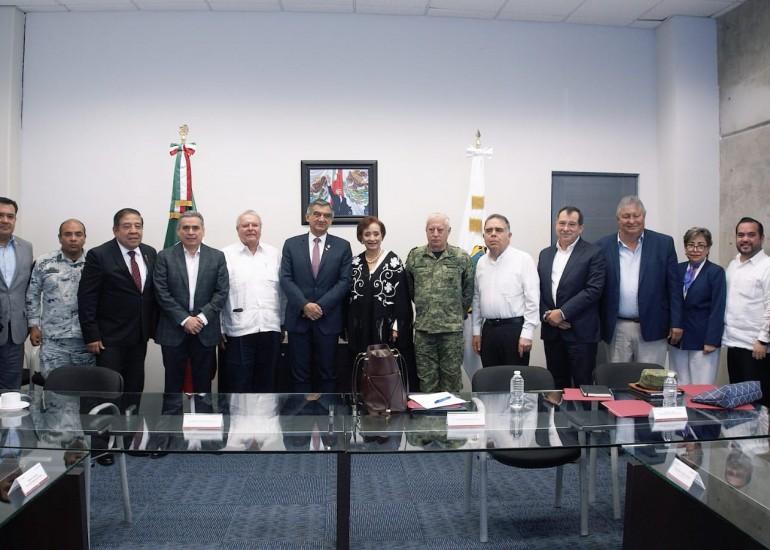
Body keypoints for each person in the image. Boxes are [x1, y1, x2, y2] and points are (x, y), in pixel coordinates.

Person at [78, 207, 157, 466]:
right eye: (127, 226)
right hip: (108, 339)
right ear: (115, 230)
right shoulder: (99, 255)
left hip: (138, 337)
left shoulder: (150, 253)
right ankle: (101, 447)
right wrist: (91, 334)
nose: (133, 231)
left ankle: (130, 441)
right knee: (106, 393)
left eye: (138, 225)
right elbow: (87, 298)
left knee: (133, 390)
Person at [597, 196, 682, 365]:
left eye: (636, 216)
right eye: (626, 216)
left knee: (651, 377)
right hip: (617, 329)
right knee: (617, 377)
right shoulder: (602, 246)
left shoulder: (663, 244)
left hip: (654, 326)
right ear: (618, 219)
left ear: (644, 217)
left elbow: (674, 287)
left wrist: (677, 322)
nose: (631, 221)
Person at [280, 200, 352, 393]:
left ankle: (327, 412)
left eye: (327, 215)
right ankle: (302, 412)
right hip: (298, 319)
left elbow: (344, 281)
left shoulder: (343, 246)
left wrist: (320, 307)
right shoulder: (291, 244)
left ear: (331, 220)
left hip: (328, 321)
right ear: (308, 217)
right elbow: (285, 278)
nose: (322, 219)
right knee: (299, 375)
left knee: (328, 373)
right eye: (317, 214)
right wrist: (304, 305)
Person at [154, 211, 228, 394]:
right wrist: (185, 319)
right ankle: (172, 414)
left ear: (203, 230)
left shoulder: (217, 256)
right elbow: (161, 292)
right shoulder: (164, 256)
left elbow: (221, 292)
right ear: (178, 231)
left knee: (203, 386)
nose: (191, 232)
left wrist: (201, 318)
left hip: (205, 331)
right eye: (185, 228)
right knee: (173, 386)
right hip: (173, 330)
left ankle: (202, 414)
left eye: (195, 228)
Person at [537, 207, 605, 388]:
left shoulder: (593, 253)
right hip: (552, 333)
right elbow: (539, 290)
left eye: (572, 224)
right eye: (562, 223)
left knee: (583, 386)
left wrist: (562, 313)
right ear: (555, 225)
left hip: (581, 333)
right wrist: (548, 316)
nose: (566, 228)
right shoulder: (545, 254)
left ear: (580, 228)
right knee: (556, 386)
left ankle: (582, 410)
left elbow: (593, 290)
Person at [406, 213, 473, 392]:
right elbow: (411, 289)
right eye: (431, 229)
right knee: (426, 382)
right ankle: (429, 412)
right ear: (426, 231)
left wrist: (454, 314)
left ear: (448, 231)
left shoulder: (461, 257)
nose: (435, 233)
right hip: (424, 331)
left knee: (451, 382)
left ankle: (451, 411)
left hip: (451, 332)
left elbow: (468, 291)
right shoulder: (415, 256)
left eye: (440, 230)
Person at [347, 216, 416, 391]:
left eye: (376, 234)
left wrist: (396, 327)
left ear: (382, 236)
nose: (372, 238)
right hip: (361, 331)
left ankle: (387, 403)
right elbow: (348, 299)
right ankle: (364, 403)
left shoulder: (393, 262)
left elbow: (402, 299)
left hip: (386, 331)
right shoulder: (354, 263)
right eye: (367, 234)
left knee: (386, 374)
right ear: (361, 237)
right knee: (363, 371)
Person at [221, 210, 283, 393]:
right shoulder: (225, 255)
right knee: (240, 384)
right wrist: (219, 327)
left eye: (254, 225)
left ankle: (266, 414)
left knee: (268, 384)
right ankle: (240, 414)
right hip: (238, 329)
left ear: (260, 228)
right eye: (245, 225)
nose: (250, 228)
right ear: (237, 229)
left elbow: (283, 293)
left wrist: (283, 323)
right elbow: (218, 293)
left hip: (270, 328)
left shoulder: (274, 254)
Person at [26, 219, 94, 377]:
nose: (73, 238)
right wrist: (33, 326)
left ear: (84, 237)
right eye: (68, 234)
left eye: (78, 234)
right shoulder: (44, 262)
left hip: (86, 339)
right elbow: (32, 295)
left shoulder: (94, 262)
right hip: (53, 340)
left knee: (86, 387)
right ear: (59, 238)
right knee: (54, 386)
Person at [471, 214, 539, 367]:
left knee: (515, 378)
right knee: (491, 378)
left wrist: (527, 333)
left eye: (499, 230)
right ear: (484, 236)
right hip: (488, 331)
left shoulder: (523, 259)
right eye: (489, 230)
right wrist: (476, 332)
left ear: (509, 235)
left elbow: (533, 300)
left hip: (514, 332)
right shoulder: (481, 263)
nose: (493, 234)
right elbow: (476, 299)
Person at [669, 227, 726, 385]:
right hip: (678, 339)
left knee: (702, 387)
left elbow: (718, 308)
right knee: (679, 384)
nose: (695, 250)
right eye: (691, 245)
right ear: (685, 247)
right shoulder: (677, 269)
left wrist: (712, 340)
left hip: (703, 339)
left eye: (701, 245)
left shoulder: (715, 272)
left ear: (708, 249)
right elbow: (672, 301)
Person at [723, 217, 770, 402]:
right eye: (740, 235)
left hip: (756, 348)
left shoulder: (767, 266)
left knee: (759, 405)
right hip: (734, 345)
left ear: (761, 238)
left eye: (751, 235)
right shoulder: (733, 265)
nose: (745, 239)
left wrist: (763, 340)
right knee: (739, 402)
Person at [0, 197, 33, 390]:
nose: (5, 220)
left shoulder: (26, 247)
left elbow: (26, 288)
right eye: (0, 215)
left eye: (10, 216)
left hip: (15, 330)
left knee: (11, 388)